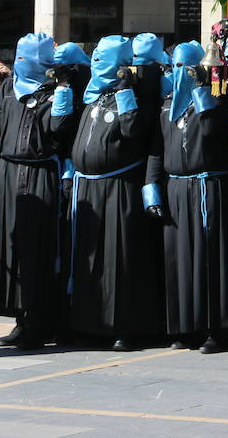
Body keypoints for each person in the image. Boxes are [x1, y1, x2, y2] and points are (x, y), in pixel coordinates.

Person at [151, 40, 228, 354]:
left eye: (187, 68)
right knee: (179, 261)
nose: (180, 73)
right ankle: (184, 326)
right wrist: (152, 191)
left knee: (210, 259)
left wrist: (204, 90)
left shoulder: (216, 99)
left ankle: (216, 328)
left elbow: (217, 132)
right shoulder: (167, 104)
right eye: (176, 67)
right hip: (175, 189)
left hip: (207, 187)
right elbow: (156, 151)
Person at [0, 33, 71, 348]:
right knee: (10, 247)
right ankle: (20, 318)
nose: (21, 64)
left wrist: (63, 96)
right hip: (8, 175)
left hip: (41, 174)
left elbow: (59, 132)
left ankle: (39, 322)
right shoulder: (9, 87)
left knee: (38, 249)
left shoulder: (55, 89)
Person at [68, 35, 163, 351]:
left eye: (102, 58)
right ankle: (89, 323)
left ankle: (125, 326)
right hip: (88, 189)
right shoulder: (93, 96)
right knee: (89, 260)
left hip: (119, 189)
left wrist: (124, 90)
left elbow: (133, 129)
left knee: (119, 260)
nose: (95, 63)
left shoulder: (138, 94)